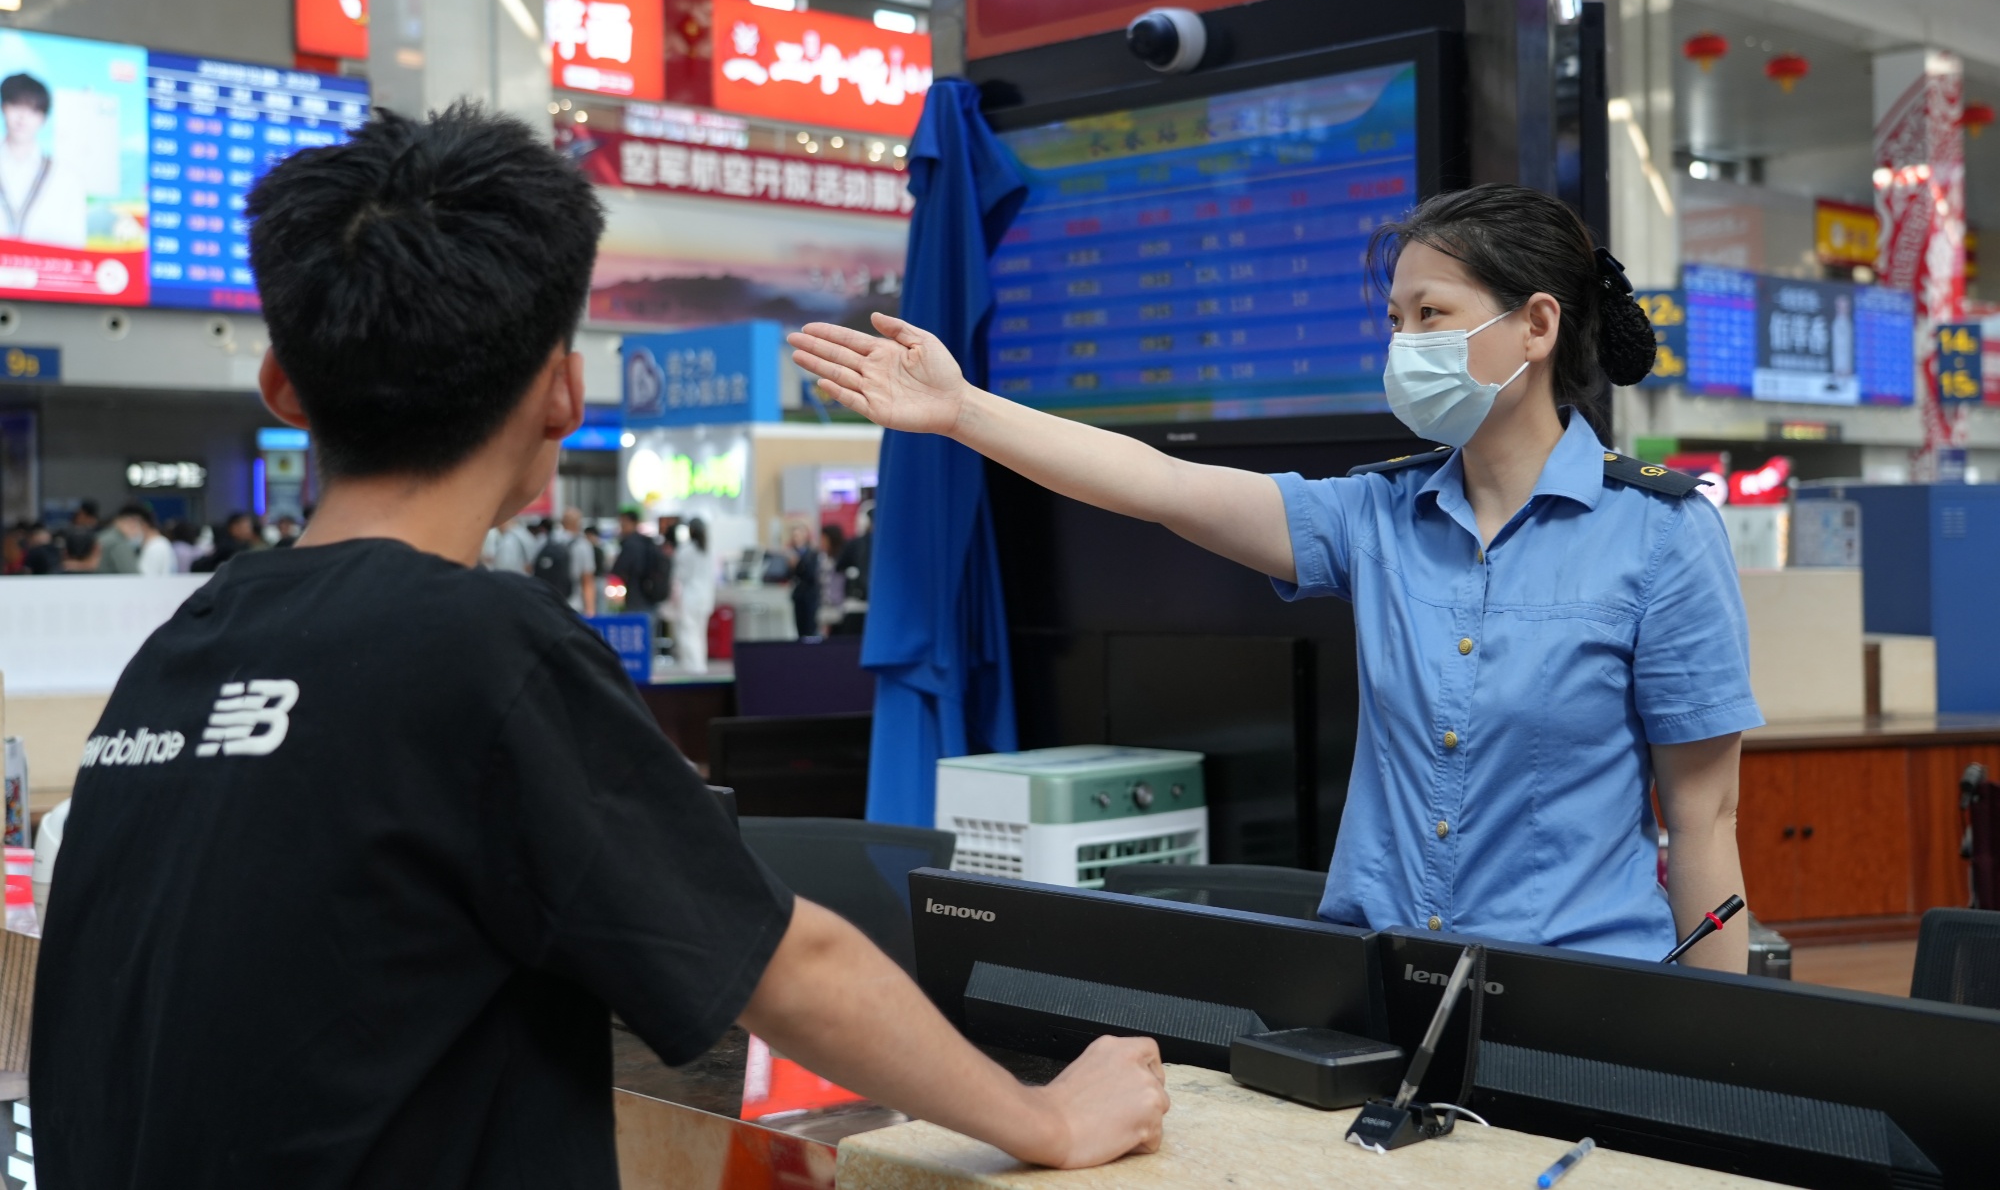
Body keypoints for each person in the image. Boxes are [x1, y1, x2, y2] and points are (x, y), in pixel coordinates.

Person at [30, 105, 1167, 1187]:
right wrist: (1049, 1118)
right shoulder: (479, 650)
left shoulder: (179, 653)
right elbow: (787, 963)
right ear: (563, 391)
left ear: (283, 382)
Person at [790, 183, 1761, 972]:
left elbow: (1702, 818)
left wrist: (1712, 1069)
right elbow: (1163, 484)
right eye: (1394, 319)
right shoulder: (1375, 516)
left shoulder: (1660, 535)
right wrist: (963, 411)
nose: (1404, 345)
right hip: (1377, 978)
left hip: (1580, 993)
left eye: (1432, 314)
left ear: (1534, 325)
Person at [0, 73, 87, 249]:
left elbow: (75, 242)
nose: (22, 117)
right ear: (4, 107)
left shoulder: (66, 177)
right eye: (16, 105)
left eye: (33, 110)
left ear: (44, 119)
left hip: (46, 272)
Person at [669, 517, 716, 672]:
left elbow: (680, 575)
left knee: (688, 631)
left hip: (690, 596)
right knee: (700, 632)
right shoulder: (708, 551)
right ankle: (700, 663)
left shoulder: (686, 550)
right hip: (705, 597)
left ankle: (693, 665)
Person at [609, 507, 669, 611]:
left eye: (623, 523)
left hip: (636, 596)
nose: (621, 527)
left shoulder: (631, 544)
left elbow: (619, 569)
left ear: (632, 522)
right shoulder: (648, 542)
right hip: (651, 595)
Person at [555, 506, 598, 617]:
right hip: (574, 604)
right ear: (578, 523)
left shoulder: (549, 541)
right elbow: (587, 580)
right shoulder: (583, 545)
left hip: (551, 604)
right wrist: (590, 610)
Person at [114, 501, 176, 576]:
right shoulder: (152, 544)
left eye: (131, 524)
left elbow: (145, 580)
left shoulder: (156, 547)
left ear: (143, 524)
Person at [786, 520, 822, 640]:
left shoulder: (813, 553)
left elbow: (811, 574)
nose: (796, 538)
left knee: (810, 627)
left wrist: (798, 564)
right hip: (798, 594)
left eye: (798, 535)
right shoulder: (790, 553)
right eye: (794, 535)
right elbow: (788, 575)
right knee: (799, 627)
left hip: (810, 595)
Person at [190, 511, 257, 573]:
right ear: (234, 527)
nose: (249, 531)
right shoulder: (228, 549)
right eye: (246, 527)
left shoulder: (244, 546)